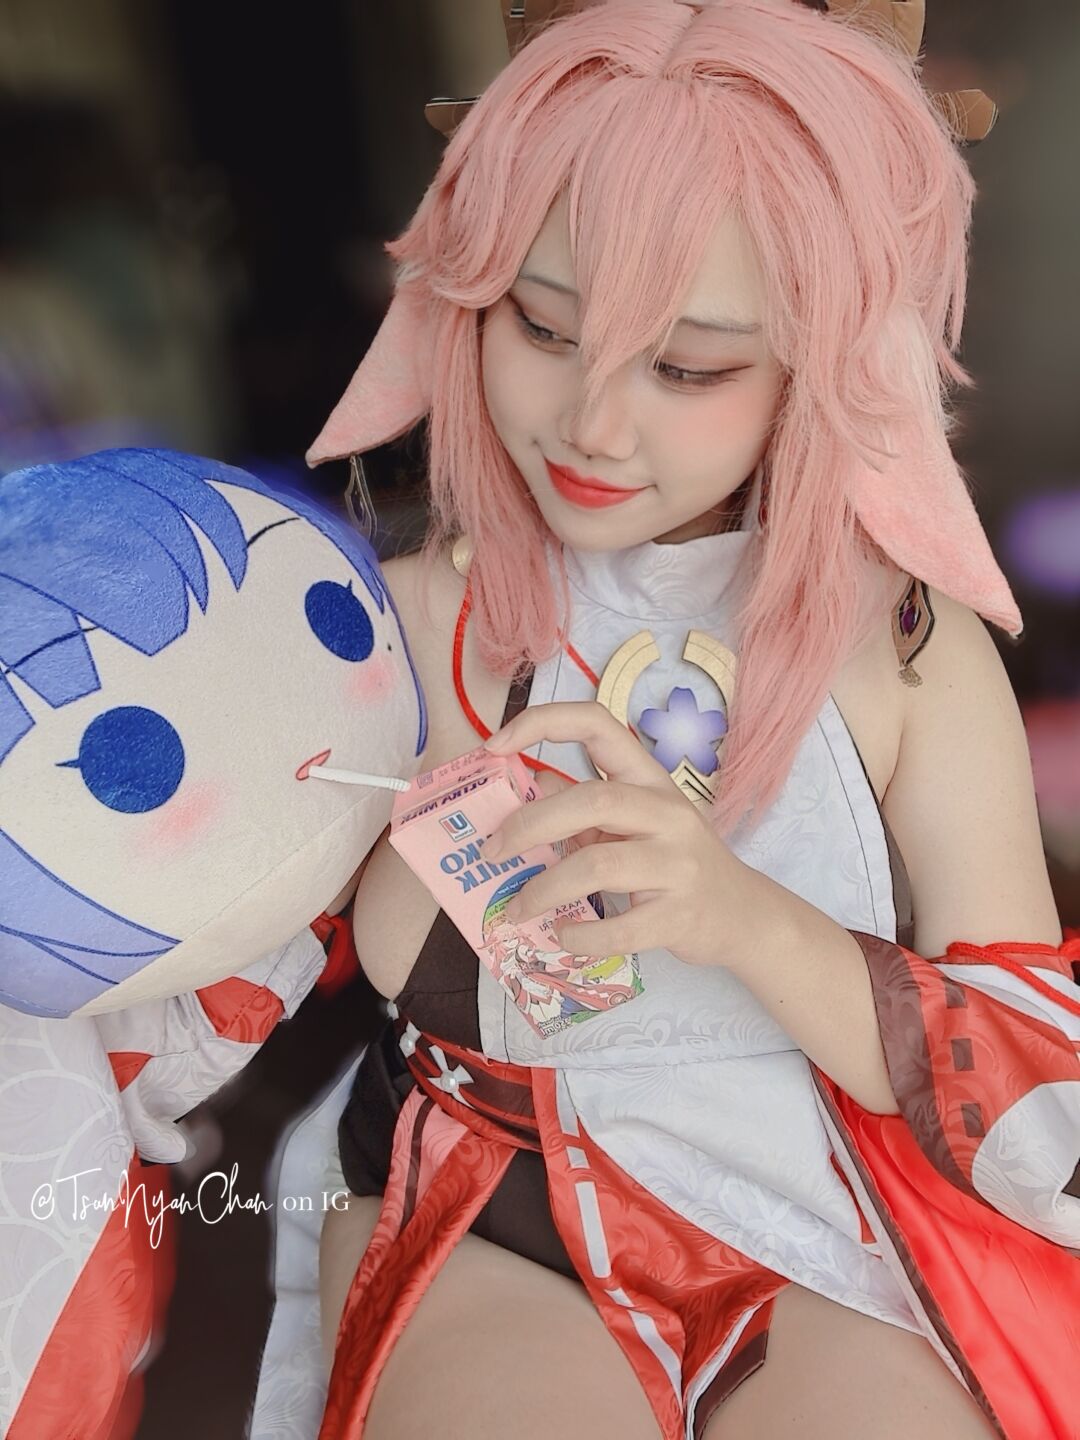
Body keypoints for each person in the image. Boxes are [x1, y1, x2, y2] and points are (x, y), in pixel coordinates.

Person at [309, 3, 1080, 1437]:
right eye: (544, 329)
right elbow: (214, 951)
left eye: (689, 365)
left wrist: (746, 919)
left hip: (843, 1209)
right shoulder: (385, 622)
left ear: (827, 361)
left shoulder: (908, 647)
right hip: (494, 1198)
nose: (594, 426)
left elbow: (1037, 1070)